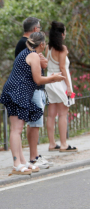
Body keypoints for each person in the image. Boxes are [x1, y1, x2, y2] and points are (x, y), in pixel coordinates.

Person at [0, 32, 65, 175]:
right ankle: (17, 163)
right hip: (17, 92)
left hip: (17, 92)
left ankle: (22, 161)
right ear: (42, 44)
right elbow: (38, 80)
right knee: (16, 130)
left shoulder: (27, 53)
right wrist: (53, 78)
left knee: (18, 128)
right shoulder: (33, 55)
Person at [15, 17, 53, 168]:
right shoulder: (24, 44)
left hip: (34, 88)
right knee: (34, 123)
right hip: (32, 87)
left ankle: (33, 155)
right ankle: (33, 157)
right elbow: (31, 63)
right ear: (35, 29)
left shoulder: (26, 44)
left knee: (34, 123)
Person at [45, 21, 78, 152]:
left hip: (50, 80)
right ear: (62, 34)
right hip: (60, 81)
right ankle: (64, 144)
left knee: (51, 114)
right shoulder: (62, 49)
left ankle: (52, 143)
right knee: (63, 114)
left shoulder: (48, 48)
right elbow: (63, 68)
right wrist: (69, 87)